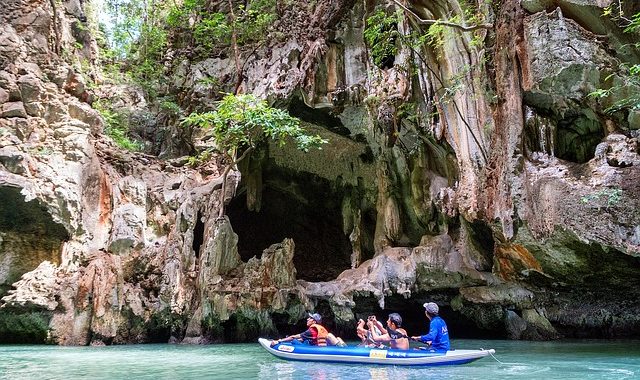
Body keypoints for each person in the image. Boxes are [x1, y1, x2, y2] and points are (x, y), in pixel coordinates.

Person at [271, 313, 345, 347]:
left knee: (294, 339)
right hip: (324, 347)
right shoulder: (318, 329)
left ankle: (342, 350)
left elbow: (294, 337)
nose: (307, 319)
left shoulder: (312, 330)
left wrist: (279, 341)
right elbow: (301, 339)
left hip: (321, 349)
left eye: (310, 318)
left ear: (314, 321)